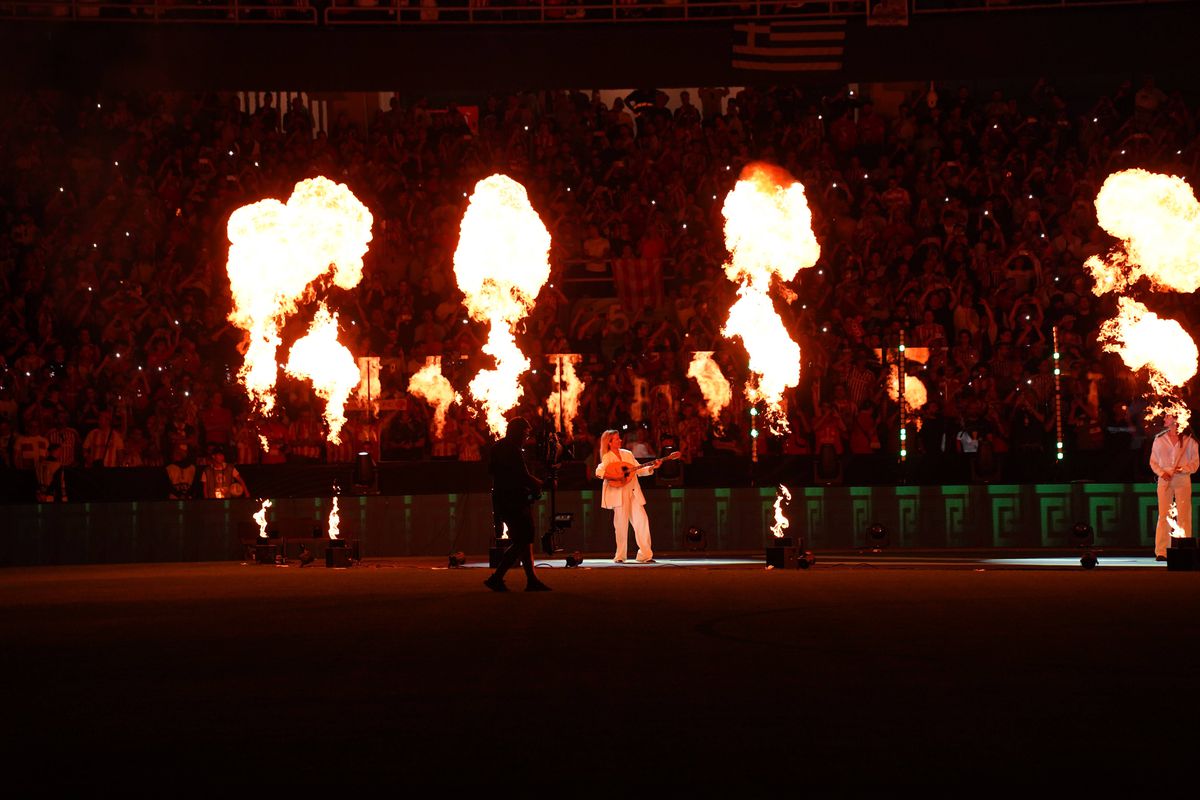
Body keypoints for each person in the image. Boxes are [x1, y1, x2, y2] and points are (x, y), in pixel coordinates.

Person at [484, 417, 550, 592]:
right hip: (513, 501)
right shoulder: (512, 450)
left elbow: (493, 472)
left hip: (503, 500)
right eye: (525, 434)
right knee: (522, 540)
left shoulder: (498, 447)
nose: (526, 438)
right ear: (518, 433)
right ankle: (497, 577)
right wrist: (541, 483)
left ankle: (531, 579)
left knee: (524, 538)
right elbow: (522, 476)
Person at [595, 428, 662, 563]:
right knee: (621, 524)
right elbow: (599, 471)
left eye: (619, 438)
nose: (620, 440)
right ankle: (620, 556)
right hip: (618, 494)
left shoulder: (627, 454)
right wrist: (615, 476)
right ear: (609, 442)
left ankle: (645, 554)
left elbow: (638, 469)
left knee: (642, 521)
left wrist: (652, 467)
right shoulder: (607, 457)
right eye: (617, 439)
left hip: (633, 492)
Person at [1149, 413, 1199, 561]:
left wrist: (1182, 469)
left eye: (1167, 417)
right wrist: (1161, 473)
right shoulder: (1159, 440)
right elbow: (1153, 462)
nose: (1164, 419)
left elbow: (1195, 463)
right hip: (1164, 480)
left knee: (1184, 514)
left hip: (1182, 480)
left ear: (1176, 420)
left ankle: (1184, 548)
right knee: (1164, 514)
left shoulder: (1190, 441)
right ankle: (1162, 551)